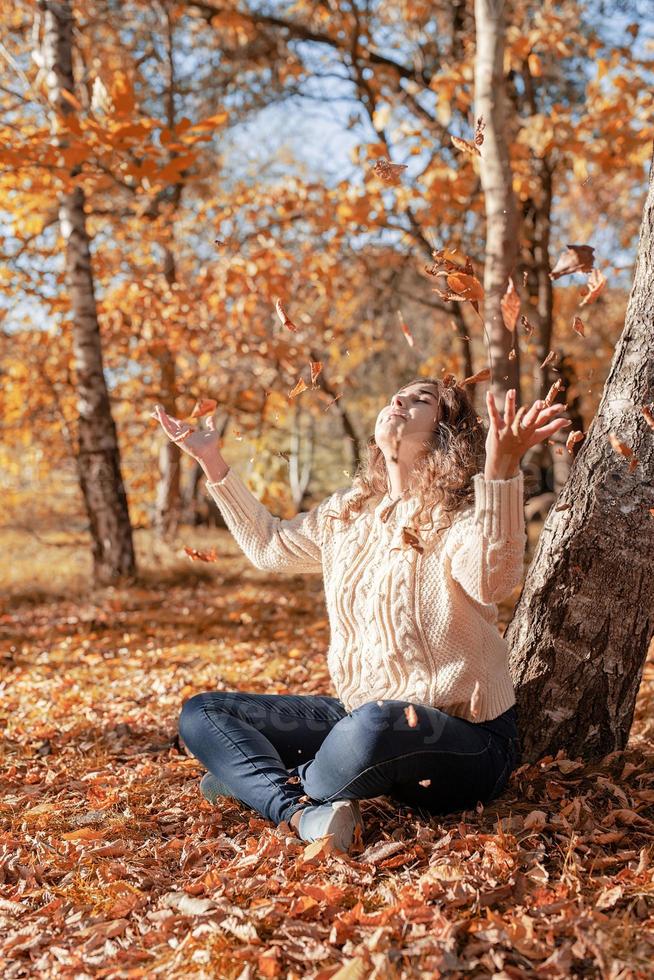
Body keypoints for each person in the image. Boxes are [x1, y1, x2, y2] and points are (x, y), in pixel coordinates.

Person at [151, 377, 571, 852]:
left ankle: (258, 782)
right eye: (400, 391)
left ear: (444, 433)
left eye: (422, 399)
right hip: (358, 717)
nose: (399, 398)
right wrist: (211, 458)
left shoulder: (459, 516)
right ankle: (301, 812)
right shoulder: (348, 514)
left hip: (461, 739)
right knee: (203, 712)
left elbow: (495, 579)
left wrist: (501, 466)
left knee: (375, 727)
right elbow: (268, 546)